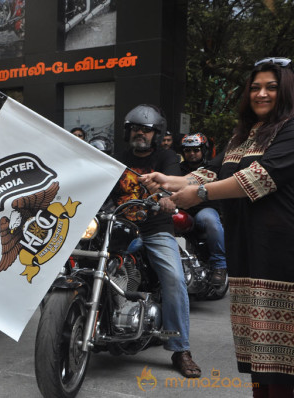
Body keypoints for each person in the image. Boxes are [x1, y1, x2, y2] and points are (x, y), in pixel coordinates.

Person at [140, 57, 294, 397]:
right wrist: (169, 179)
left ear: (285, 91)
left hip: (280, 255)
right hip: (247, 250)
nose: (262, 94)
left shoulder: (290, 128)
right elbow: (211, 171)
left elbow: (258, 178)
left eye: (271, 87)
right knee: (258, 357)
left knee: (282, 363)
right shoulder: (244, 134)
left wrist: (199, 195)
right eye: (255, 87)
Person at [112, 104, 201, 378]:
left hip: (155, 228)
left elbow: (174, 184)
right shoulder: (118, 157)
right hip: (119, 226)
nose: (141, 133)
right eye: (136, 129)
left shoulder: (166, 158)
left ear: (155, 133)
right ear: (129, 131)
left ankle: (180, 348)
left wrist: (166, 197)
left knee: (173, 278)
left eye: (147, 130)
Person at [178, 132, 227, 286]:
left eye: (196, 150)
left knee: (210, 220)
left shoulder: (211, 168)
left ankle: (220, 265)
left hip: (204, 210)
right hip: (181, 210)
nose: (191, 154)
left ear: (203, 150)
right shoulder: (176, 169)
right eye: (187, 150)